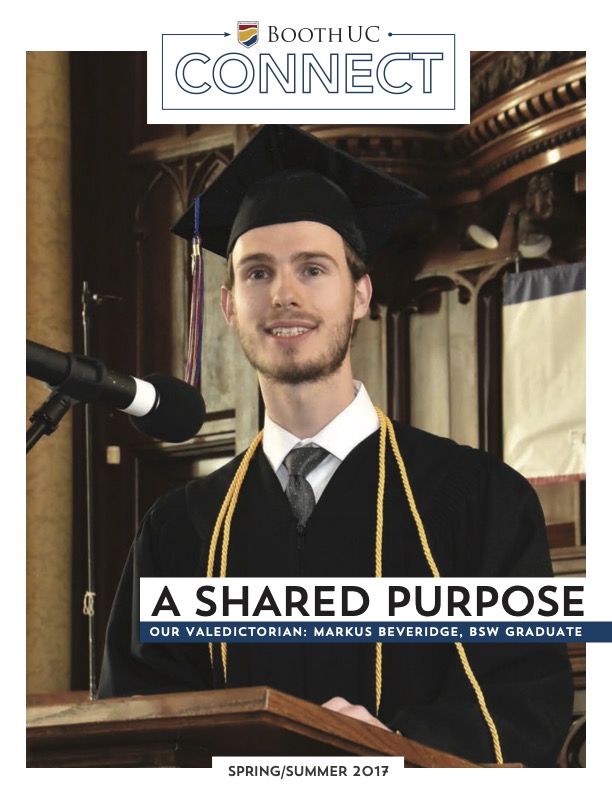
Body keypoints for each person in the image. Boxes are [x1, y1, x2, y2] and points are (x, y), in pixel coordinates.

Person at [98, 125, 574, 767]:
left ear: (360, 295)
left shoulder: (478, 500)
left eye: (313, 269)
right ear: (231, 306)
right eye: (258, 272)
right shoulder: (178, 532)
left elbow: (527, 710)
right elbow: (135, 729)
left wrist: (380, 749)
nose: (284, 294)